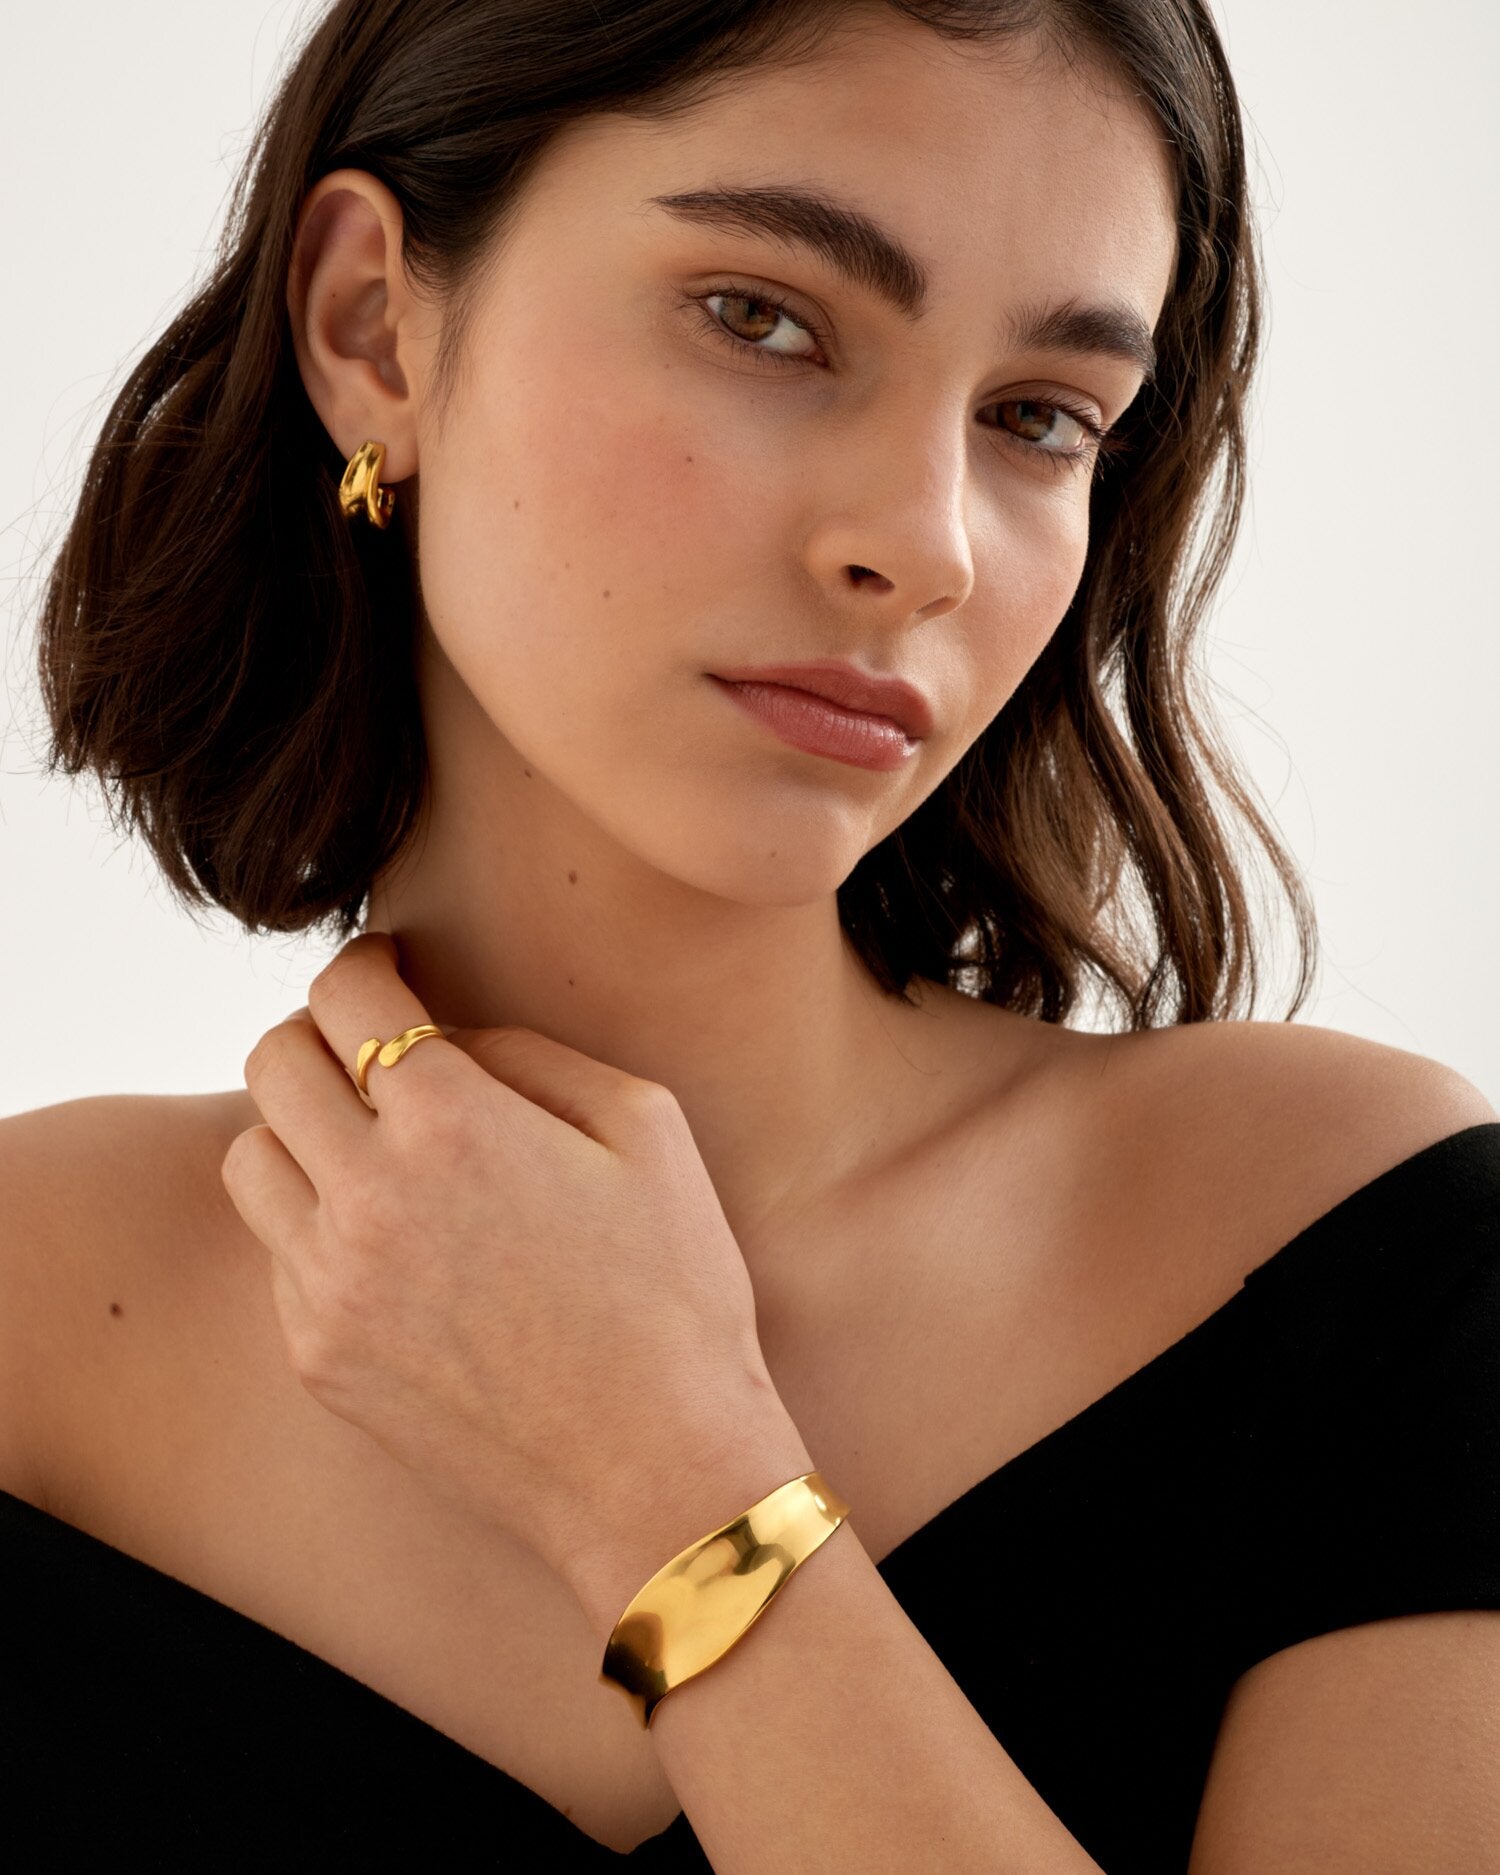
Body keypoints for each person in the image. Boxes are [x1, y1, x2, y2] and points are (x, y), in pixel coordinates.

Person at [5, 0, 1497, 1867]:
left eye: (1038, 418)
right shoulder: (27, 1312)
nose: (927, 542)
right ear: (373, 324)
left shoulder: (1371, 1260)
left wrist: (660, 1476)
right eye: (762, 318)